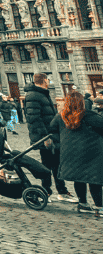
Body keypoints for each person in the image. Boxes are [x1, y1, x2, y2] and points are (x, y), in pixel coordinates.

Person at [49, 91, 103, 216]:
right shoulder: (88, 115)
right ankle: (99, 207)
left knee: (79, 178)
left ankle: (83, 204)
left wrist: (61, 143)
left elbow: (52, 131)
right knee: (94, 179)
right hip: (91, 152)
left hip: (71, 153)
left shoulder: (60, 116)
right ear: (81, 102)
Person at [24, 73, 76, 202]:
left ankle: (59, 191)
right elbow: (34, 119)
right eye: (48, 79)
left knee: (55, 164)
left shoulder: (42, 93)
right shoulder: (33, 95)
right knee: (48, 165)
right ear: (43, 80)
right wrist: (45, 137)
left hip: (51, 135)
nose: (49, 81)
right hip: (46, 137)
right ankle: (47, 191)